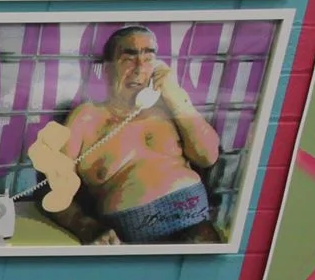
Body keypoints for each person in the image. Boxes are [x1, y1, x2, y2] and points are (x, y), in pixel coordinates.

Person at [44, 25, 226, 245]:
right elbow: (55, 188)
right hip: (133, 238)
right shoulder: (86, 118)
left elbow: (208, 156)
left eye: (148, 59)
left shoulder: (170, 106)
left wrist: (176, 98)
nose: (139, 69)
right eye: (128, 59)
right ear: (108, 70)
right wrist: (88, 228)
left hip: (197, 228)